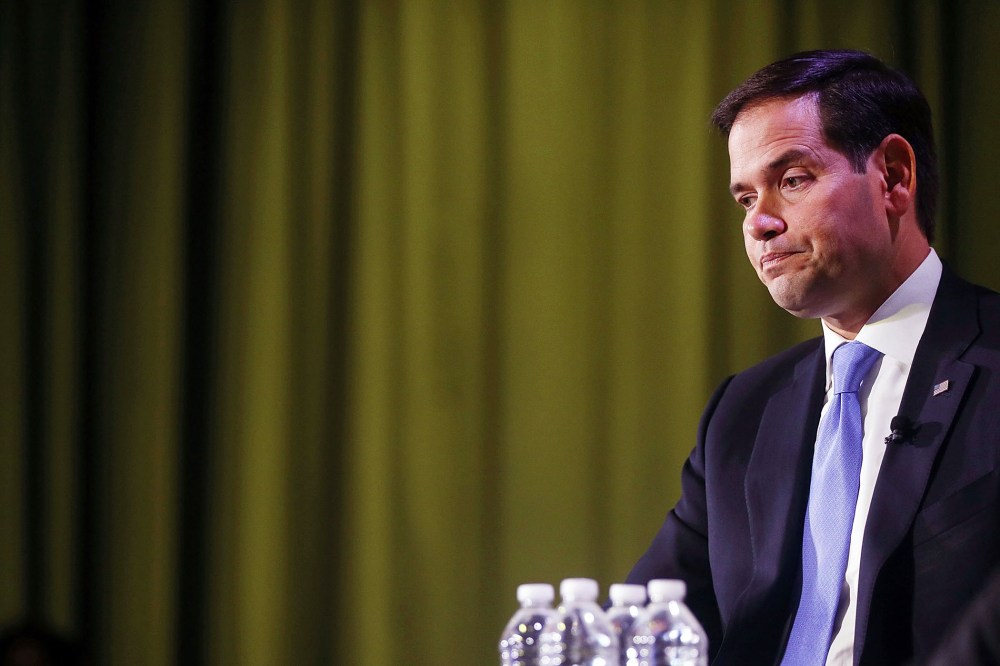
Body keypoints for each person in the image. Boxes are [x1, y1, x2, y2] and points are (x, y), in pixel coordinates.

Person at [626, 49, 1000, 666]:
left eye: (793, 180)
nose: (760, 224)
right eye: (745, 199)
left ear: (894, 176)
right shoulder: (742, 413)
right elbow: (652, 623)